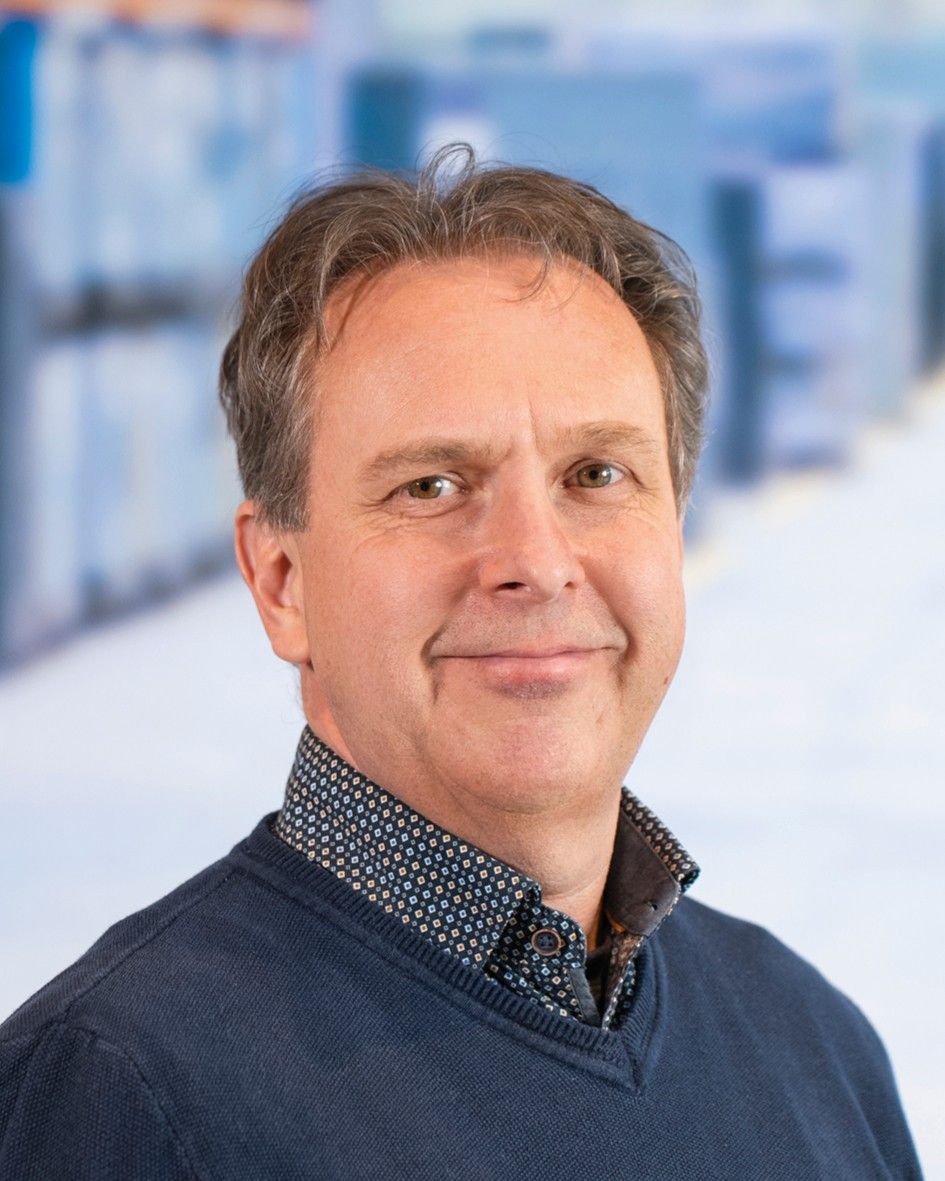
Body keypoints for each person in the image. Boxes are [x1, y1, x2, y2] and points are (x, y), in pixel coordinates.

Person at [0, 146, 923, 1180]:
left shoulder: (812, 1042)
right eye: (432, 486)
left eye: (596, 474)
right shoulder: (119, 1092)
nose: (536, 560)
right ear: (281, 581)